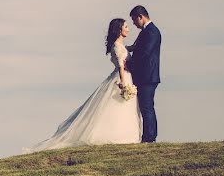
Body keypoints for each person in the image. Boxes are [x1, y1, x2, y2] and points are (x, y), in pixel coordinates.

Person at [25, 18, 142, 152]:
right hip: (123, 78)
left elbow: (130, 49)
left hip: (126, 76)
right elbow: (121, 66)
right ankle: (118, 135)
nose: (128, 29)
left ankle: (126, 134)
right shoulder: (117, 46)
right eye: (126, 26)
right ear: (119, 29)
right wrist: (124, 83)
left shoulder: (121, 46)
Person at [126, 5, 161, 143]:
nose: (134, 24)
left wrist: (130, 65)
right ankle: (148, 136)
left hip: (148, 76)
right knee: (146, 106)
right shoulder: (146, 31)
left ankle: (149, 137)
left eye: (134, 20)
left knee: (147, 107)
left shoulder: (152, 31)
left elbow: (145, 53)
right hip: (145, 76)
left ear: (140, 16)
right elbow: (138, 48)